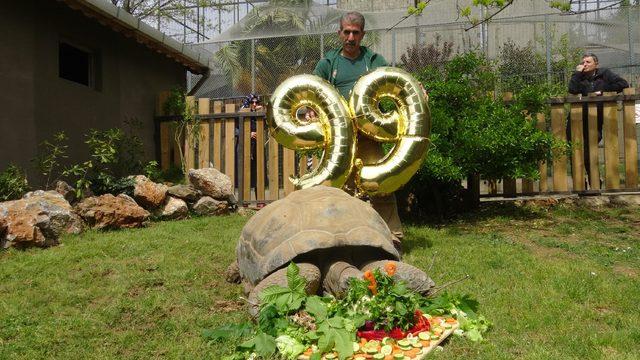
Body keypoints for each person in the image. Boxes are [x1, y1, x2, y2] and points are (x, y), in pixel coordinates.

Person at [311, 11, 404, 247]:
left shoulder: (372, 61)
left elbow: (395, 82)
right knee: (340, 189)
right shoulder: (328, 63)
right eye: (346, 32)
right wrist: (311, 110)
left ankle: (393, 237)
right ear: (339, 33)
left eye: (355, 32)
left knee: (380, 184)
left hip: (368, 136)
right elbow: (312, 92)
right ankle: (343, 240)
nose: (350, 37)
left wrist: (416, 89)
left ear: (362, 34)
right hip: (338, 140)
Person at [567, 53, 628, 188]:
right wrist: (576, 73)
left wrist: (602, 90)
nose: (585, 65)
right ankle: (579, 184)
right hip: (577, 119)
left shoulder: (604, 74)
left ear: (596, 64)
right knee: (575, 151)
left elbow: (623, 84)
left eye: (588, 62)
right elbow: (572, 89)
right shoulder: (579, 76)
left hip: (595, 120)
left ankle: (595, 181)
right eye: (583, 62)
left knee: (590, 151)